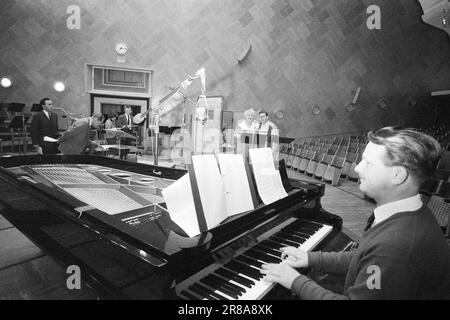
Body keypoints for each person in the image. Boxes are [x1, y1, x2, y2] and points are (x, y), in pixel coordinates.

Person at [261, 126, 450, 299]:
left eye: (367, 163)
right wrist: (311, 258)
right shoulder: (408, 214)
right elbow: (363, 257)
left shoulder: (397, 246)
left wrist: (296, 281)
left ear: (397, 175)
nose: (358, 168)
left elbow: (378, 257)